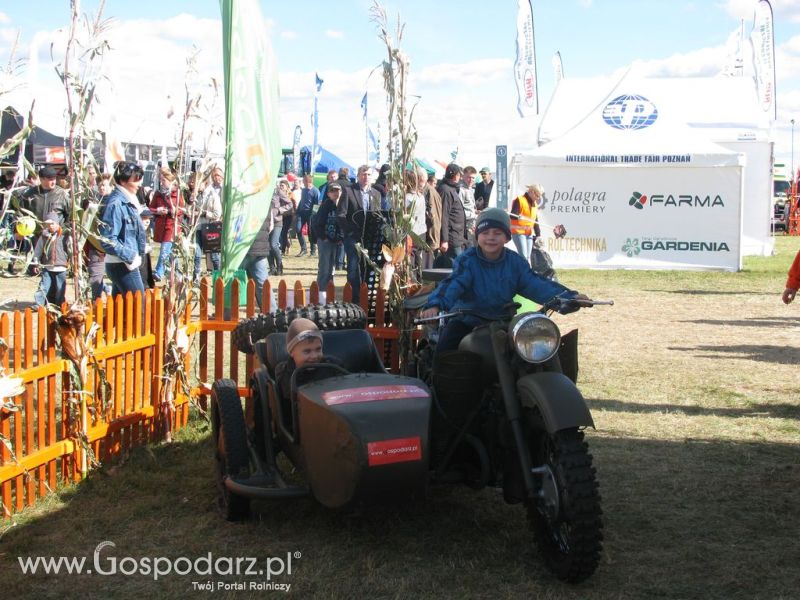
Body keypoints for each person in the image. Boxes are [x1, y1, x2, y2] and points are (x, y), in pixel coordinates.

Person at [418, 208, 588, 353]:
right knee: (445, 351)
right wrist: (435, 305)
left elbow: (536, 285)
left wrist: (569, 297)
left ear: (507, 237)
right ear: (477, 235)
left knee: (537, 352)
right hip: (467, 320)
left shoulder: (515, 263)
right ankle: (442, 390)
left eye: (497, 233)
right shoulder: (467, 261)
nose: (491, 237)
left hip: (504, 322)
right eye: (485, 233)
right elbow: (453, 284)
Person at [97, 161, 146, 298]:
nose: (139, 183)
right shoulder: (116, 203)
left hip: (125, 262)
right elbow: (108, 240)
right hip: (121, 264)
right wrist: (130, 255)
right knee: (138, 306)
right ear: (123, 181)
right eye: (136, 179)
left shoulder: (128, 199)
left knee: (121, 312)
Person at [337, 164, 381, 304]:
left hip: (370, 238)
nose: (366, 177)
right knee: (353, 269)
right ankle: (354, 300)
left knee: (369, 269)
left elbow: (378, 215)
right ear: (358, 176)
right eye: (363, 174)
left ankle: (367, 299)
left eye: (368, 174)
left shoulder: (376, 194)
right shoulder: (349, 191)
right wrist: (349, 230)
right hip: (353, 238)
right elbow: (341, 214)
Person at [274, 318, 345, 403]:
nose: (314, 356)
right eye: (307, 351)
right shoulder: (285, 372)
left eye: (318, 349)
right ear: (292, 352)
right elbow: (290, 395)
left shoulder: (333, 366)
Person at [83, 173, 113, 300]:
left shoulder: (114, 202)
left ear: (111, 186)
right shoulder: (94, 202)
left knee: (115, 274)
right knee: (95, 273)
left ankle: (110, 291)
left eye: (104, 185)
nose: (102, 188)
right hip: (97, 245)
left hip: (112, 244)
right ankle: (97, 299)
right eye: (100, 185)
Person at [151, 168, 183, 281]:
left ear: (170, 181)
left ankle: (159, 272)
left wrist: (170, 209)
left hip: (172, 226)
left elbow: (182, 210)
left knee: (165, 250)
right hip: (161, 226)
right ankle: (178, 275)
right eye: (160, 180)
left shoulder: (177, 194)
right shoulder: (158, 194)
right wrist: (157, 211)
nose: (161, 182)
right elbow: (151, 208)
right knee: (171, 253)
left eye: (163, 180)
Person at [239, 214, 277, 311]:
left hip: (239, 247)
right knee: (263, 286)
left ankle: (226, 316)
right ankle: (272, 315)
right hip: (259, 247)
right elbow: (271, 226)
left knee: (230, 283)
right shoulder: (266, 201)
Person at [17, 166, 70, 236]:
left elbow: (71, 218)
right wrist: (18, 232)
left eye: (54, 179)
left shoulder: (62, 194)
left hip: (55, 239)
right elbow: (20, 214)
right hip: (35, 238)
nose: (53, 182)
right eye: (50, 179)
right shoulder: (30, 194)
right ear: (41, 179)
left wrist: (59, 228)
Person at [32, 212, 70, 307]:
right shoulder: (44, 236)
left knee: (60, 289)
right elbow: (38, 250)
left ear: (57, 223)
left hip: (61, 267)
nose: (50, 226)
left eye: (52, 223)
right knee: (43, 287)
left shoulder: (65, 236)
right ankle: (39, 304)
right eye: (48, 224)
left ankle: (59, 305)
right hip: (47, 266)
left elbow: (71, 250)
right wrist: (36, 263)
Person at [313, 180, 344, 292]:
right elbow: (317, 224)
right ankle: (321, 292)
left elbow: (343, 224)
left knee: (332, 268)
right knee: (324, 268)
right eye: (332, 191)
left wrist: (340, 238)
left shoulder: (342, 206)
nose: (335, 193)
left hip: (336, 242)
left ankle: (329, 292)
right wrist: (324, 237)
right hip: (325, 241)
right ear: (328, 193)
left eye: (337, 190)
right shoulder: (325, 205)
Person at [194, 166, 223, 281]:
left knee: (215, 255)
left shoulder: (212, 195)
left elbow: (217, 213)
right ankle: (195, 277)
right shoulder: (196, 196)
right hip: (198, 227)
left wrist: (203, 213)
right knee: (197, 253)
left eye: (199, 184)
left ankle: (219, 277)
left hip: (211, 228)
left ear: (204, 183)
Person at [437, 163, 468, 260]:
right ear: (455, 176)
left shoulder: (451, 189)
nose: (460, 177)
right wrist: (444, 240)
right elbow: (444, 216)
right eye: (459, 175)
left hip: (457, 235)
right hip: (451, 237)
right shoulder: (446, 190)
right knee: (456, 267)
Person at [268, 178, 294, 276]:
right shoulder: (263, 191)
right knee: (268, 246)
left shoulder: (278, 191)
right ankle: (272, 268)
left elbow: (290, 203)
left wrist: (280, 210)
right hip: (266, 222)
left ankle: (280, 265)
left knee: (273, 244)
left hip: (277, 221)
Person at [509, 183, 543, 259]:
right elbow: (512, 215)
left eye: (539, 196)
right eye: (537, 195)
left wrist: (538, 235)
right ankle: (522, 270)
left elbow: (535, 221)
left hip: (529, 233)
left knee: (527, 257)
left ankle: (523, 270)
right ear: (531, 192)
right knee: (523, 256)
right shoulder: (520, 200)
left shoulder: (534, 204)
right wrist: (518, 217)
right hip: (518, 233)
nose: (538, 198)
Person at [295, 174, 320, 257]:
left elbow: (317, 205)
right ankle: (303, 249)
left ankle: (313, 250)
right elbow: (302, 201)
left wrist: (313, 215)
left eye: (303, 181)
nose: (302, 182)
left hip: (310, 214)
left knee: (310, 232)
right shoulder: (303, 190)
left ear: (308, 181)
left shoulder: (315, 191)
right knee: (298, 229)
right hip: (301, 213)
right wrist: (297, 211)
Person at [423, 172, 443, 270]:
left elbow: (433, 216)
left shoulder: (429, 191)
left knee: (428, 269)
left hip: (429, 236)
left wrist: (433, 240)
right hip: (429, 235)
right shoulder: (429, 191)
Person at [459, 166, 478, 245]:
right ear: (463, 176)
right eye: (469, 177)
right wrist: (473, 214)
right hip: (465, 227)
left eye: (473, 178)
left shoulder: (469, 188)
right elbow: (459, 211)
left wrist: (476, 212)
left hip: (471, 224)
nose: (471, 180)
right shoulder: (461, 190)